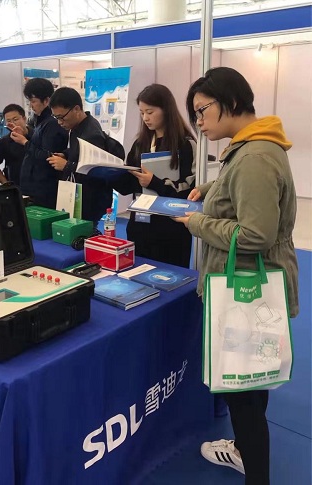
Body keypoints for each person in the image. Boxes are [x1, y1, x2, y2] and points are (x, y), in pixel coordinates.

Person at [175, 66, 299, 485]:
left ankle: (255, 471)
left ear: (229, 101)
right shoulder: (250, 148)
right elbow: (247, 194)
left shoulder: (254, 156)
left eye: (202, 110)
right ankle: (246, 452)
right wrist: (213, 190)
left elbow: (255, 234)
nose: (198, 121)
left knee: (242, 395)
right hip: (249, 287)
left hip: (246, 290)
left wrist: (198, 223)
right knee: (251, 383)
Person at [112, 83, 196, 268]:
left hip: (170, 229)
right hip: (140, 225)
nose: (145, 118)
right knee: (137, 274)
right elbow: (128, 187)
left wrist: (154, 182)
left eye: (150, 112)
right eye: (142, 113)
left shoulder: (185, 145)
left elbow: (189, 192)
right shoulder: (140, 143)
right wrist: (111, 173)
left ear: (166, 109)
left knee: (171, 278)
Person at [48, 86, 113, 226]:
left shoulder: (91, 134)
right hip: (82, 196)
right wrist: (66, 154)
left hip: (90, 199)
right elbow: (79, 152)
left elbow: (96, 170)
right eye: (56, 118)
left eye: (61, 117)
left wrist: (66, 166)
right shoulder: (79, 126)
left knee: (86, 234)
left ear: (76, 109)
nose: (59, 122)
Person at [10, 78, 68, 208]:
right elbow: (39, 144)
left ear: (46, 100)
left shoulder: (52, 123)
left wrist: (24, 142)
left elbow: (48, 156)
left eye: (33, 101)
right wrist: (26, 134)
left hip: (45, 190)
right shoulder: (41, 121)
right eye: (29, 101)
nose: (31, 105)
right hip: (35, 188)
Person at [0, 103, 33, 185]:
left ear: (24, 119)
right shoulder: (4, 142)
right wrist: (6, 183)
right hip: (17, 185)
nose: (12, 123)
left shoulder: (37, 135)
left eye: (15, 119)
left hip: (38, 185)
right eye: (8, 121)